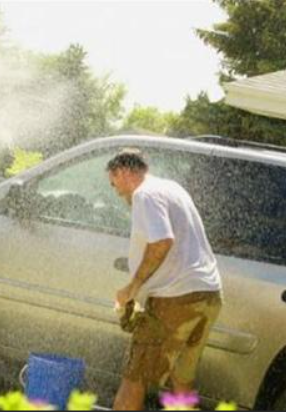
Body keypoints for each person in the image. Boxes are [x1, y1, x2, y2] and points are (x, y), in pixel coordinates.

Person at [107, 149, 223, 410]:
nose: (116, 191)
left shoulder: (144, 195)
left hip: (176, 300)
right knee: (181, 378)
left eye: (113, 182)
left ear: (123, 172)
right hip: (208, 295)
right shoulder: (171, 188)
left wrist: (133, 287)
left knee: (135, 375)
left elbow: (162, 241)